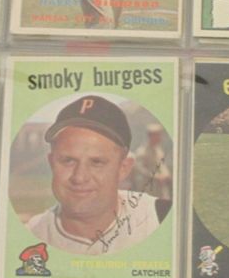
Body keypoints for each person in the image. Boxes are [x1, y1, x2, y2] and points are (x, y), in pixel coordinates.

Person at [25, 95, 171, 254]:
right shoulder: (30, 234)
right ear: (52, 163)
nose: (79, 177)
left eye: (97, 162)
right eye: (68, 160)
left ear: (123, 168)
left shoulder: (162, 218)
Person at [130, 123, 173, 201]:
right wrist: (156, 177)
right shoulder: (142, 152)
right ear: (150, 136)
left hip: (161, 187)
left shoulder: (158, 150)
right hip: (148, 187)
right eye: (157, 135)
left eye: (160, 135)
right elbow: (140, 169)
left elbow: (162, 165)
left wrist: (166, 174)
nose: (160, 138)